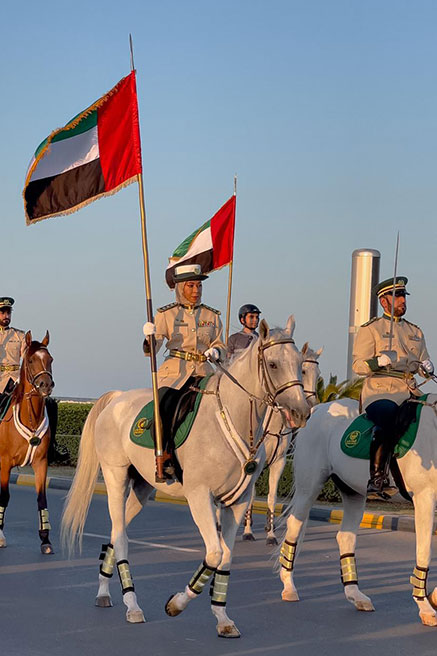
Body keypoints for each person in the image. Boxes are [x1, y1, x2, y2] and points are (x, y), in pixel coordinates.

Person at [352, 276, 433, 498]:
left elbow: (422, 364)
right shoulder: (372, 329)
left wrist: (427, 367)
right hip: (381, 391)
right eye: (396, 296)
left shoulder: (415, 331)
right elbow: (358, 365)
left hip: (410, 390)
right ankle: (377, 479)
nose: (402, 301)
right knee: (387, 417)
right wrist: (378, 362)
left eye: (403, 296)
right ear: (384, 301)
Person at [143, 264, 226, 476]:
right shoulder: (166, 314)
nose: (196, 290)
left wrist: (216, 351)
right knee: (163, 408)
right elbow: (152, 349)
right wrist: (149, 338)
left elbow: (221, 345)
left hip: (204, 373)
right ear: (180, 287)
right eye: (191, 286)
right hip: (175, 374)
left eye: (199, 286)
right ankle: (165, 456)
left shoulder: (212, 315)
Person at [0, 297, 68, 464]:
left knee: (49, 404)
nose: (6, 315)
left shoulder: (20, 335)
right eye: (2, 312)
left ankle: (51, 446)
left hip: (16, 380)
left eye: (8, 312)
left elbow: (28, 357)